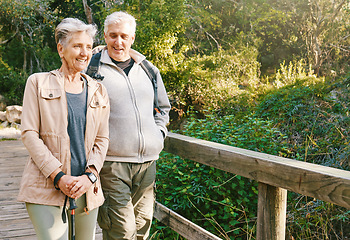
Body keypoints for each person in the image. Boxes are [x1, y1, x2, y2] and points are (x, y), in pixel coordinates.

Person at [17, 18, 110, 240]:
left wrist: (90, 176)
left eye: (88, 47)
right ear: (61, 49)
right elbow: (29, 134)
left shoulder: (99, 90)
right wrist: (59, 176)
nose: (84, 53)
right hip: (46, 187)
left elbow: (102, 139)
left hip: (86, 188)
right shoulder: (37, 83)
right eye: (77, 46)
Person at [88, 11, 171, 240]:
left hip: (147, 164)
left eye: (124, 36)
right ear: (105, 36)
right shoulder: (92, 69)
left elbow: (163, 108)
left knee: (142, 229)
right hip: (112, 163)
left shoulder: (148, 69)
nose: (118, 42)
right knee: (121, 231)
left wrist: (159, 133)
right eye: (113, 35)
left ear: (132, 38)